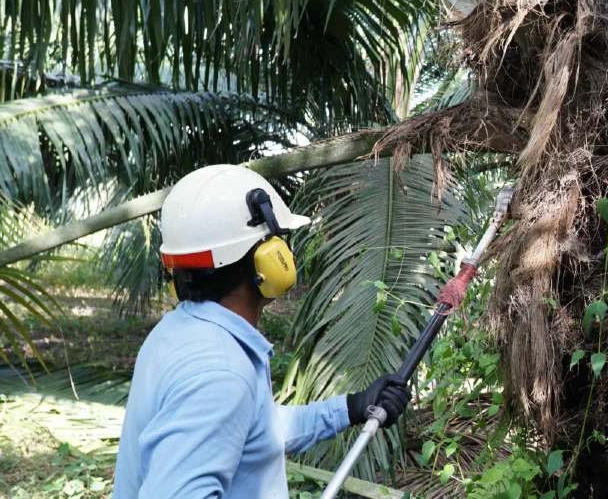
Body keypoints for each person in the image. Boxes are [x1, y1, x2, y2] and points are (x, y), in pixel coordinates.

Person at [112, 165, 411, 499]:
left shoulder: (178, 332)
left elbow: (248, 431)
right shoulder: (221, 373)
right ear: (267, 260)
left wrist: (350, 408)